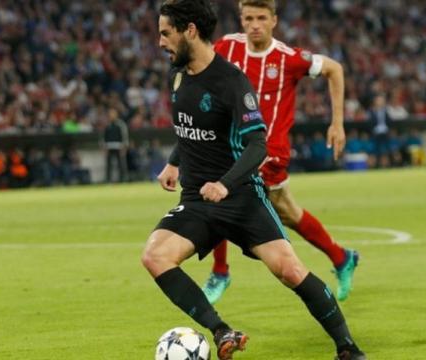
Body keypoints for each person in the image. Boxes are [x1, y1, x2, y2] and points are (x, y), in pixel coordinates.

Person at [141, 1, 366, 359]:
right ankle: (221, 331)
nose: (160, 42)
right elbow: (191, 131)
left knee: (289, 270)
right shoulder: (179, 75)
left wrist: (226, 185)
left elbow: (257, 145)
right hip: (199, 201)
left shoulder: (232, 81)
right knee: (155, 256)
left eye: (166, 33)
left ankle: (347, 348)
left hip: (242, 196)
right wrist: (173, 162)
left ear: (190, 31)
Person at [202, 0, 359, 305]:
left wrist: (337, 123)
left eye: (261, 18)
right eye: (248, 18)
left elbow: (334, 69)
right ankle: (342, 258)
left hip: (269, 153)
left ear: (274, 20)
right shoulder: (227, 48)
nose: (254, 25)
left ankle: (221, 272)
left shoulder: (288, 58)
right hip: (232, 146)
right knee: (286, 212)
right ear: (241, 19)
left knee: (222, 195)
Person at [103, 108, 129, 183]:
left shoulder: (121, 124)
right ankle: (108, 180)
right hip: (109, 147)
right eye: (110, 114)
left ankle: (123, 180)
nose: (111, 115)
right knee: (109, 165)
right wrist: (104, 147)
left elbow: (125, 136)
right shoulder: (107, 125)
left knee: (121, 165)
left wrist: (124, 147)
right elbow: (104, 137)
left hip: (119, 147)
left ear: (116, 114)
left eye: (113, 113)